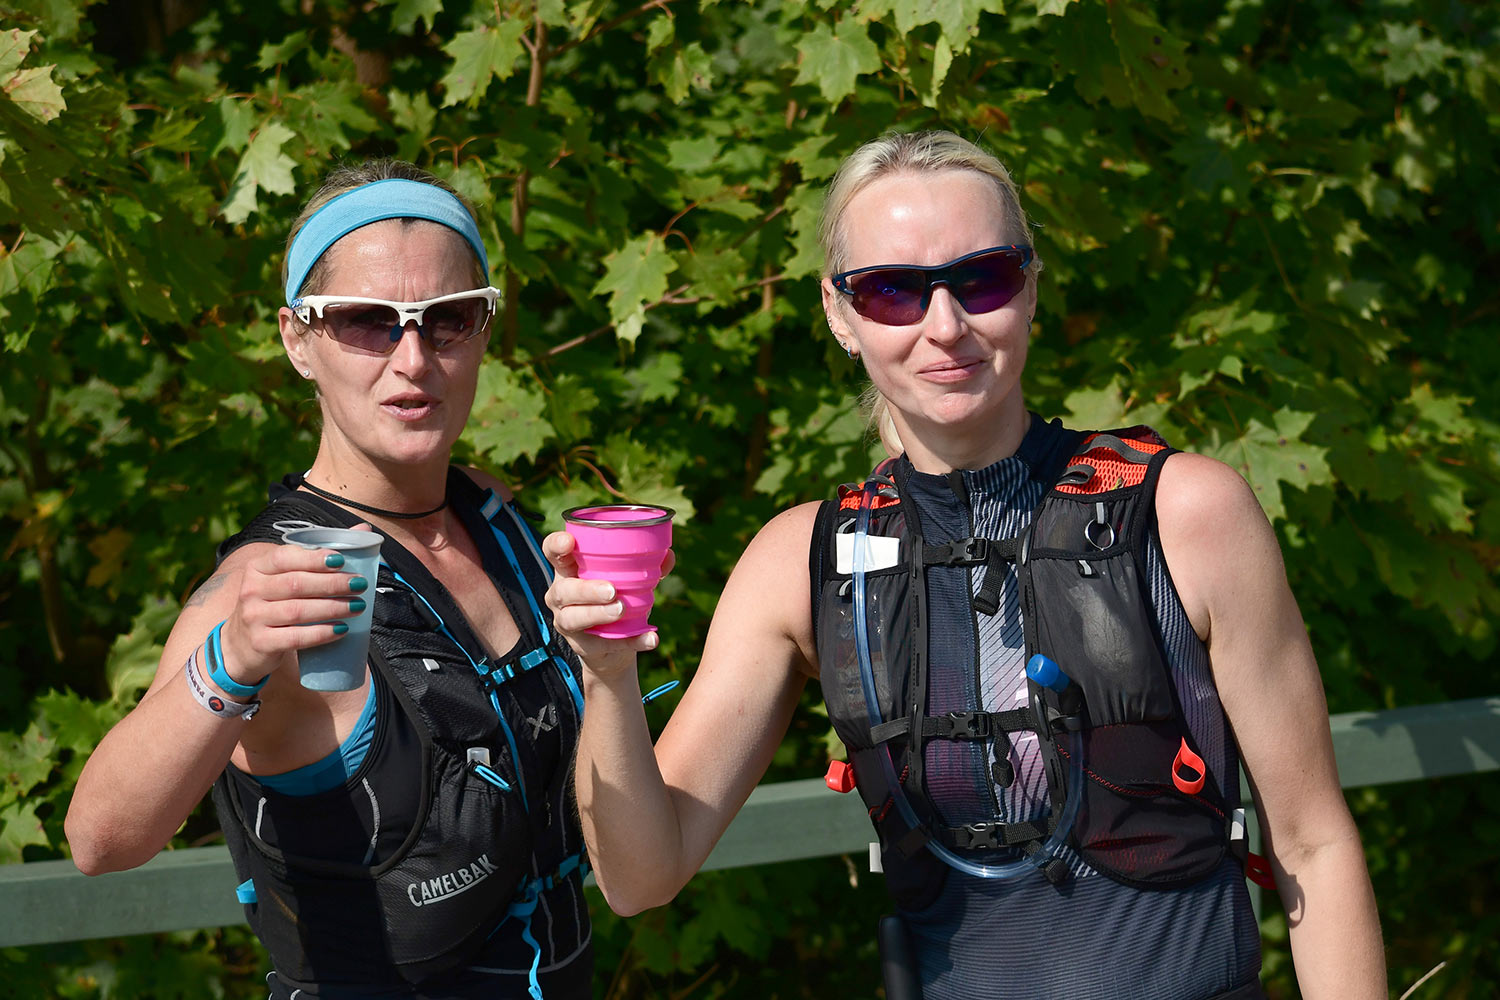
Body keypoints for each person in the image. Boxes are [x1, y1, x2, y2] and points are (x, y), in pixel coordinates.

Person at [544, 131, 1386, 999]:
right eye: (892, 292)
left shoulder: (1184, 513)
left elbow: (1313, 843)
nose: (945, 327)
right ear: (839, 315)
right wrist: (607, 675)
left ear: (1031, 288)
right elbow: (640, 878)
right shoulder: (800, 559)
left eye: (981, 278)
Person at [66, 161, 592, 999]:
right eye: (365, 323)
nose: (412, 358)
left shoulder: (496, 517)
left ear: (485, 328)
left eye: (446, 319)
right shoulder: (273, 580)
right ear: (297, 340)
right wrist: (232, 657)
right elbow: (101, 841)